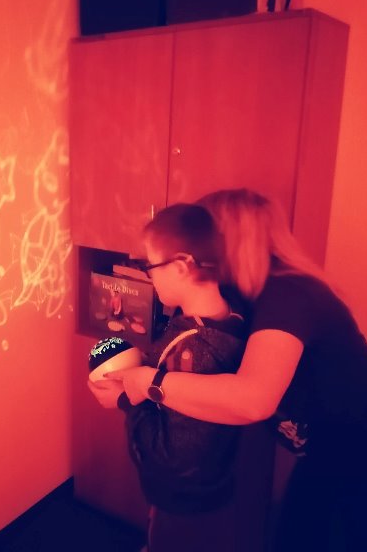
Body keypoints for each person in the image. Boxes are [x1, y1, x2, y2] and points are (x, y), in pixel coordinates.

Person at [106, 188, 367, 552]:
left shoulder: (289, 295)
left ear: (228, 239)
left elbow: (253, 400)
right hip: (330, 461)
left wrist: (149, 383)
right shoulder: (239, 304)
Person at [89, 203, 249, 552]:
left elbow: (173, 456)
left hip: (183, 504)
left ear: (180, 266)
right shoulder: (232, 317)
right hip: (212, 488)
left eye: (151, 266)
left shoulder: (192, 351)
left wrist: (124, 400)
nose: (149, 276)